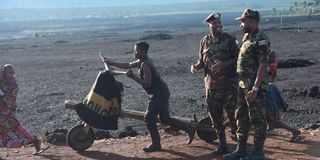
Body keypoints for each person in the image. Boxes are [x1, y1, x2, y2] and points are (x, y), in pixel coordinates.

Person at [102, 41, 196, 152]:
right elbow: (127, 65)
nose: (134, 52)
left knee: (148, 118)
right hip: (159, 92)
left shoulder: (145, 64)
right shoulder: (141, 61)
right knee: (165, 118)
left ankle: (156, 144)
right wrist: (110, 62)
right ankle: (189, 128)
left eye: (136, 50)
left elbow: (147, 83)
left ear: (142, 52)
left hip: (159, 94)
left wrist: (132, 77)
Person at [223, 9, 270, 160]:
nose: (241, 24)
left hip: (253, 88)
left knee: (257, 119)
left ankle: (258, 153)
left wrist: (255, 88)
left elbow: (263, 65)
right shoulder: (247, 38)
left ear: (253, 21)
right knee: (240, 117)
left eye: (243, 21)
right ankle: (241, 150)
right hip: (243, 86)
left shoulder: (260, 39)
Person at [190, 12, 239, 155]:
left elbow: (239, 58)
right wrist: (195, 67)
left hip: (229, 86)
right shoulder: (204, 41)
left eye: (219, 23)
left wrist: (224, 65)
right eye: (214, 24)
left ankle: (239, 146)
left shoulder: (229, 40)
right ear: (209, 26)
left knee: (233, 116)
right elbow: (201, 61)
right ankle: (223, 144)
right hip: (211, 86)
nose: (218, 25)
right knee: (215, 116)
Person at [0, 64, 44, 154]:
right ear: (4, 73)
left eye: (12, 72)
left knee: (16, 128)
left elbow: (10, 96)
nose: (11, 74)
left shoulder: (12, 82)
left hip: (7, 112)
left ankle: (35, 141)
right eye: (9, 72)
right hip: (3, 112)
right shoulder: (3, 81)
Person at [266, 51, 304, 142]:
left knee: (272, 117)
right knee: (266, 114)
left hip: (265, 90)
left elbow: (271, 72)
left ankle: (294, 131)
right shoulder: (264, 55)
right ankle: (270, 128)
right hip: (267, 88)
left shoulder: (263, 55)